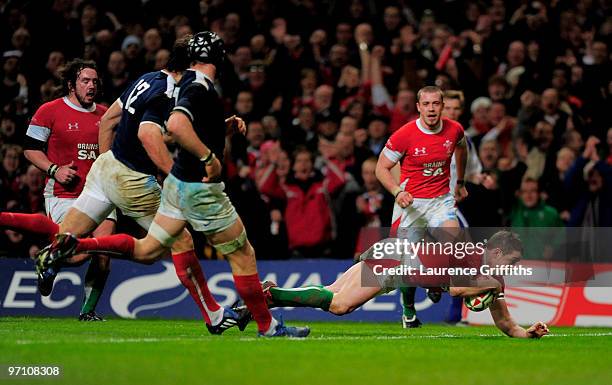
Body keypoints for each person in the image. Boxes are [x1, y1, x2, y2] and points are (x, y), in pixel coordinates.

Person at [38, 32, 309, 338]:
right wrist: (198, 161)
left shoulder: (150, 78)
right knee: (239, 253)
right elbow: (159, 131)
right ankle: (261, 325)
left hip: (108, 166)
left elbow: (111, 120)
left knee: (147, 249)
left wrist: (220, 131)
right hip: (165, 182)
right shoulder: (183, 88)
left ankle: (69, 247)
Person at [240, 230, 550, 339]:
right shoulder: (472, 255)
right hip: (398, 258)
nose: (513, 268)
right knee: (340, 305)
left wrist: (527, 333)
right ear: (496, 252)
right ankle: (269, 295)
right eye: (511, 261)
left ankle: (262, 300)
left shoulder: (493, 276)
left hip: (399, 259)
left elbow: (506, 323)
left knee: (332, 292)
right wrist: (488, 287)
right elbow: (456, 289)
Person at [20, 59, 113, 321]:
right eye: (85, 80)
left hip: (102, 194)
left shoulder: (106, 115)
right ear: (71, 84)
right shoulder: (49, 111)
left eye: (95, 81)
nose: (91, 85)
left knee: (103, 251)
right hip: (63, 193)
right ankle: (49, 261)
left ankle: (88, 312)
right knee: (76, 253)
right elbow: (29, 149)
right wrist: (54, 169)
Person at [375, 86, 468, 328]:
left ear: (442, 105)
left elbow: (462, 147)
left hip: (441, 201)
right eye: (426, 104)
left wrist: (461, 182)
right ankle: (408, 310)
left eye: (436, 104)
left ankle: (436, 283)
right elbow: (380, 168)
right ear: (418, 107)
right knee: (405, 261)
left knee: (453, 240)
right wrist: (397, 191)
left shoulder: (454, 129)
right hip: (412, 204)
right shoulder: (404, 135)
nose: (431, 109)